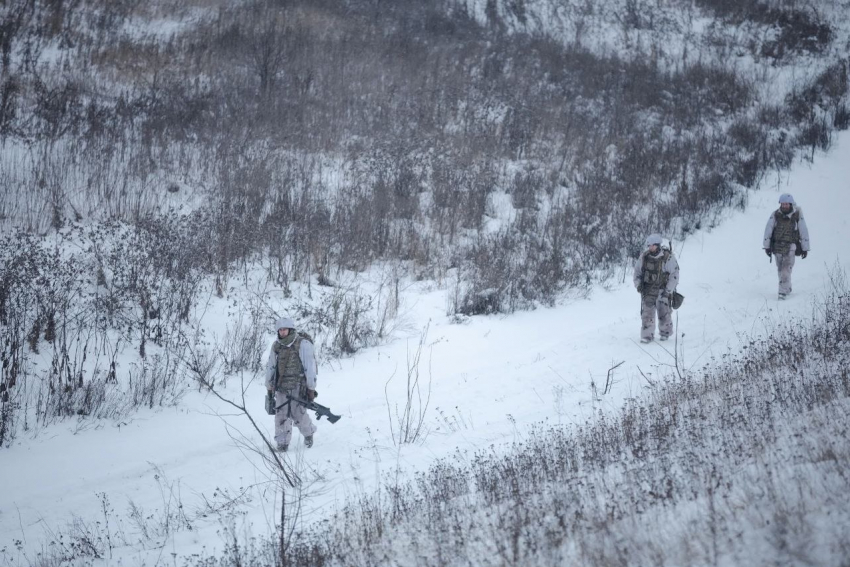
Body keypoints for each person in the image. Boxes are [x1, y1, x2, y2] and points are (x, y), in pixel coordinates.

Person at [265, 317, 318, 452]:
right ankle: (282, 443)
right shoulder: (276, 346)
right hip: (282, 387)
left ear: (291, 329)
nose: (282, 332)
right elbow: (271, 366)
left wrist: (311, 389)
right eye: (280, 330)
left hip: (298, 386)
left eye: (285, 329)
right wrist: (269, 386)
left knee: (298, 415)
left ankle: (308, 434)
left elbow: (310, 368)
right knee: (281, 415)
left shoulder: (303, 344)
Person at [633, 234, 680, 344]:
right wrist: (638, 285)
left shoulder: (667, 258)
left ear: (658, 245)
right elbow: (637, 272)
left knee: (664, 313)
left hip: (663, 290)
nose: (650, 248)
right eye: (649, 246)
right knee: (647, 314)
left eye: (652, 246)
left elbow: (674, 275)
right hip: (648, 291)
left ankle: (665, 333)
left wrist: (668, 290)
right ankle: (647, 335)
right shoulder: (644, 257)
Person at [763, 193, 810, 300]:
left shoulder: (797, 215)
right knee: (780, 270)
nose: (784, 206)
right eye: (783, 204)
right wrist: (767, 246)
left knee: (785, 270)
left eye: (786, 204)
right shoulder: (775, 215)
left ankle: (782, 292)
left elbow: (803, 231)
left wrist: (805, 248)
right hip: (777, 246)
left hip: (791, 246)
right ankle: (787, 288)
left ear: (790, 204)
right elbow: (768, 230)